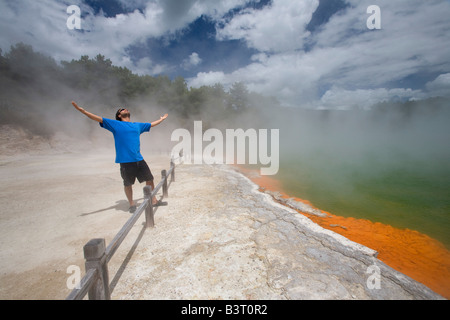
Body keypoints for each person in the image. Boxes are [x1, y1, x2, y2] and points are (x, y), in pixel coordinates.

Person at [71, 101, 168, 213]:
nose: (125, 109)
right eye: (122, 110)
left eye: (125, 109)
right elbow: (97, 118)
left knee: (150, 179)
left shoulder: (137, 125)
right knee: (128, 183)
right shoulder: (115, 124)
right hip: (125, 160)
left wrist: (161, 119)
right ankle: (131, 204)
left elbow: (151, 124)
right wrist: (82, 111)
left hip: (138, 158)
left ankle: (153, 200)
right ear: (119, 115)